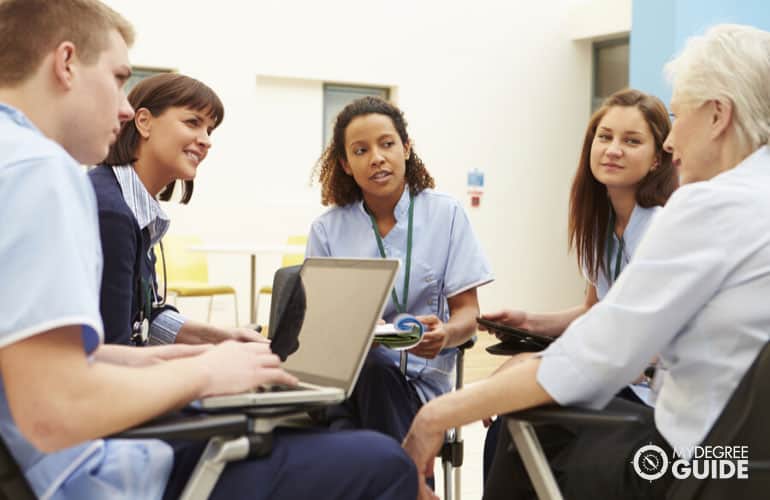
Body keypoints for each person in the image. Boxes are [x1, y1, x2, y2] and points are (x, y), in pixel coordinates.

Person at [0, 1, 418, 499]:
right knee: (383, 460)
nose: (125, 109)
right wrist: (204, 372)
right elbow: (56, 408)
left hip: (47, 460)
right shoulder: (42, 173)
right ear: (66, 63)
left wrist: (190, 357)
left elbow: (63, 361)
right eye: (117, 79)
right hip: (88, 474)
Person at [403, 23, 770, 500]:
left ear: (718, 114)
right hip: (750, 463)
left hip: (703, 464)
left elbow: (599, 356)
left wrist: (439, 413)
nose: (672, 140)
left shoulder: (708, 205)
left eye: (677, 116)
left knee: (524, 428)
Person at [479, 88, 677, 477]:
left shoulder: (662, 228)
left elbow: (648, 345)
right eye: (604, 137)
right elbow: (595, 311)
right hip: (615, 381)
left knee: (522, 422)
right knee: (510, 428)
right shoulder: (603, 225)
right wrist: (529, 323)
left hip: (652, 395)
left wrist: (536, 364)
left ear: (657, 159)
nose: (613, 149)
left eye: (631, 141)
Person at [308, 96, 493, 443]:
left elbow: (468, 313)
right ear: (346, 164)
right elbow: (319, 324)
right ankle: (412, 484)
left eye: (387, 144)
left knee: (346, 429)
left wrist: (446, 336)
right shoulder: (326, 230)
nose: (376, 157)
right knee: (367, 369)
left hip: (420, 386)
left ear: (406, 148)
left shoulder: (446, 215)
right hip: (348, 382)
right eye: (360, 151)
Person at [90, 73, 262, 346]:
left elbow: (146, 313)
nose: (206, 140)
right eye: (193, 122)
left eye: (209, 129)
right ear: (144, 122)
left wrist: (223, 338)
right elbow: (114, 347)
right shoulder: (111, 213)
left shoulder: (134, 208)